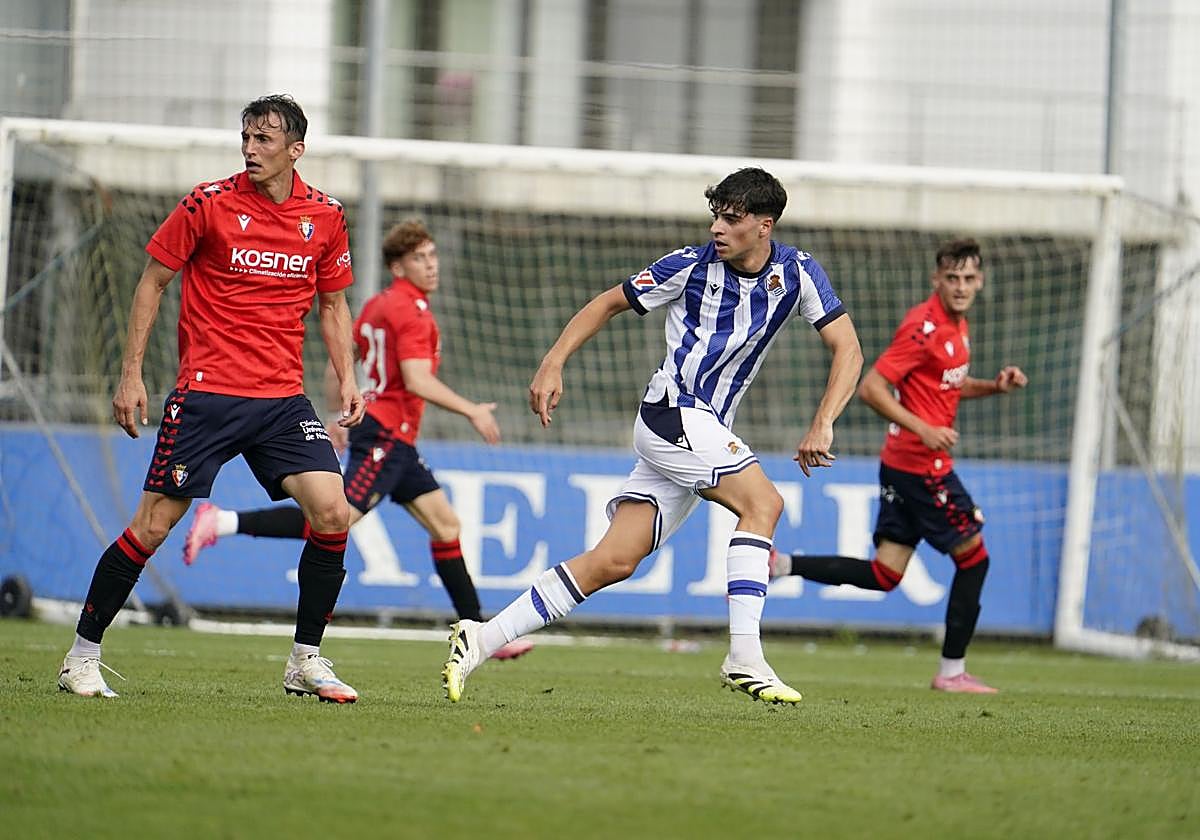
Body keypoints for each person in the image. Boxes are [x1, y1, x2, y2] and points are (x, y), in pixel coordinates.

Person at [441, 167, 864, 704]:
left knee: (614, 561)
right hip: (673, 413)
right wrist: (554, 361)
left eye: (731, 219)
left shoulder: (798, 273)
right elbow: (608, 302)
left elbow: (847, 348)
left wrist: (824, 418)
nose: (717, 228)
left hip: (704, 428)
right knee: (764, 503)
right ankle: (744, 656)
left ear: (765, 225)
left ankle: (479, 638)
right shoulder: (688, 266)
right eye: (715, 215)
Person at [57, 94, 366, 702]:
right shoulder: (208, 203)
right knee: (152, 527)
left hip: (281, 400)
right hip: (206, 395)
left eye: (265, 139)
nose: (250, 148)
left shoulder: (325, 216)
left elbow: (333, 304)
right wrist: (131, 375)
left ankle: (305, 660)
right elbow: (152, 283)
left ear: (295, 149)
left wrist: (347, 378)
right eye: (246, 137)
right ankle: (81, 656)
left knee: (333, 513)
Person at [181, 220, 533, 660]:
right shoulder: (411, 311)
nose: (432, 265)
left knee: (446, 525)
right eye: (420, 258)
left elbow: (338, 362)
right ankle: (222, 521)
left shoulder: (377, 306)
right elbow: (417, 380)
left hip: (393, 437)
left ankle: (480, 635)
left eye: (433, 255)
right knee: (334, 519)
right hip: (386, 433)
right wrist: (472, 410)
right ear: (397, 267)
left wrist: (337, 415)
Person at [770, 237, 1027, 694]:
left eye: (969, 278)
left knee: (885, 574)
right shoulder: (924, 327)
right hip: (922, 466)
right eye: (952, 278)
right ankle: (952, 674)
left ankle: (782, 564)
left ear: (980, 281)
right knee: (975, 561)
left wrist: (994, 388)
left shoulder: (957, 327)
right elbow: (872, 388)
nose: (961, 287)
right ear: (937, 280)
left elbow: (947, 386)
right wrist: (924, 430)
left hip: (902, 465)